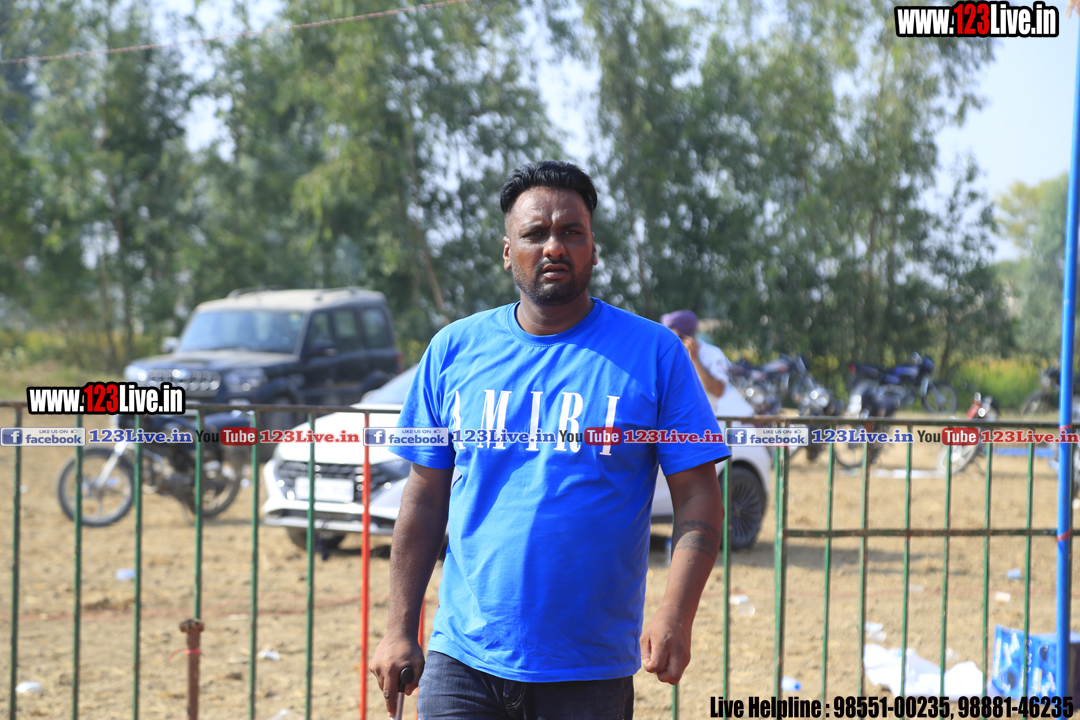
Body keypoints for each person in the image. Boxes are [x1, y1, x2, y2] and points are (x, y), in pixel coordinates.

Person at [370, 161, 730, 720]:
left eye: (571, 232)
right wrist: (399, 628)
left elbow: (700, 495)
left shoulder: (655, 354)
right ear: (507, 251)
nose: (554, 247)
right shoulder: (452, 350)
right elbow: (423, 497)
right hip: (462, 661)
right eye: (535, 233)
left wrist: (676, 614)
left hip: (589, 670)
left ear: (593, 249)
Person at [660, 309, 755, 420]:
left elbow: (717, 391)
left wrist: (694, 359)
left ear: (691, 336)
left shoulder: (712, 354)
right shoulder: (669, 356)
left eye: (677, 337)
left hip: (720, 420)